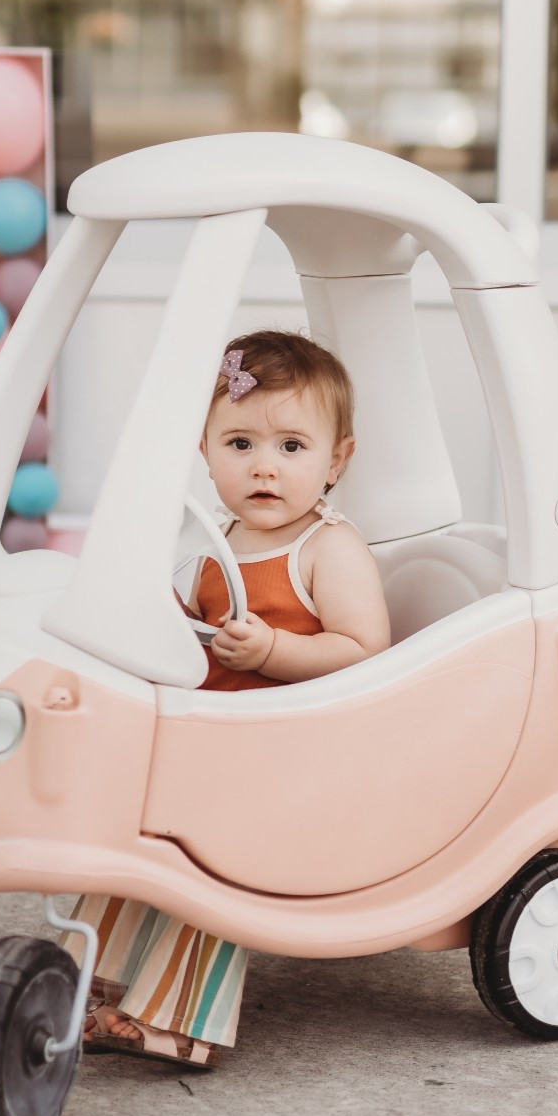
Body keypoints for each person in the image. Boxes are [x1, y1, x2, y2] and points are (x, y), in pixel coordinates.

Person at [68, 329, 391, 1068]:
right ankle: (97, 973)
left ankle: (177, 1019)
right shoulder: (214, 540)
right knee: (128, 836)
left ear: (336, 460)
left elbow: (364, 651)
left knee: (209, 865)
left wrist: (274, 650)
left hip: (293, 759)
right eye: (240, 444)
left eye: (291, 448)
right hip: (215, 744)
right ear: (206, 452)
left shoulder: (327, 549)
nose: (264, 468)